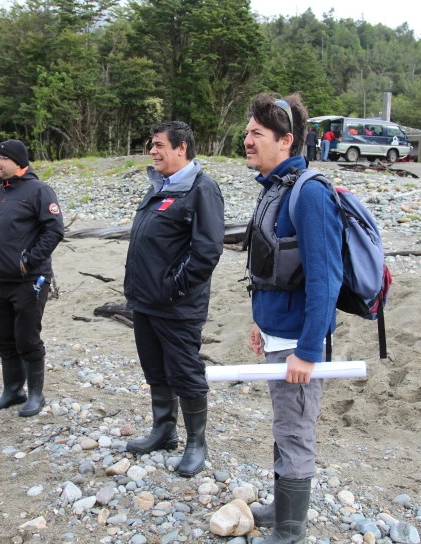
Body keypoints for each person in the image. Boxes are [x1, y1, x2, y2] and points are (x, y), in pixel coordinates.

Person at [242, 94, 343, 542]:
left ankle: (292, 528)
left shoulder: (310, 194)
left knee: (296, 429)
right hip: (276, 336)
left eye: (256, 134)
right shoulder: (274, 189)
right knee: (285, 423)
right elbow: (269, 270)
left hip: (299, 346)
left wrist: (307, 350)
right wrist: (260, 324)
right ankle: (283, 505)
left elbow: (325, 280)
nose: (247, 140)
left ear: (285, 141)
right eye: (247, 132)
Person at [123, 121, 225, 478]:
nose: (152, 151)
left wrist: (173, 287)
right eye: (152, 145)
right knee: (155, 370)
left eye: (158, 145)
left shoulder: (202, 189)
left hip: (176, 306)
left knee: (186, 373)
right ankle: (164, 431)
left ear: (181, 148)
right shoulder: (160, 187)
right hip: (145, 302)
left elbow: (207, 252)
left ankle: (197, 442)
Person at [0, 139, 64, 417]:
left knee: (26, 338)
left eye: (1, 157)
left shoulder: (39, 190)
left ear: (18, 160)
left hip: (31, 280)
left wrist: (27, 262)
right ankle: (13, 390)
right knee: (3, 338)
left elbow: (54, 231)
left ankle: (35, 394)